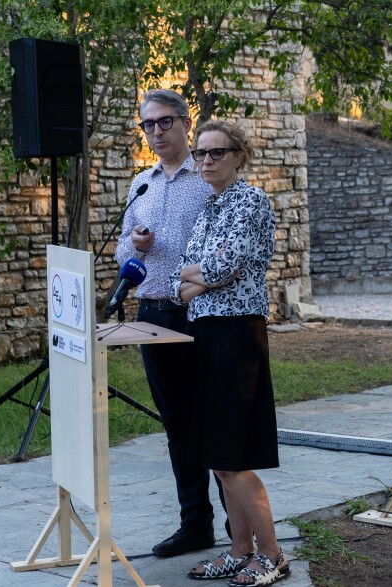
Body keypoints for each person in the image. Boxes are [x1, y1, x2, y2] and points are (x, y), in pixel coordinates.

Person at [171, 120, 289, 585]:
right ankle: (241, 551)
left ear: (239, 156)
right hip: (207, 333)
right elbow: (187, 269)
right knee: (220, 458)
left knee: (236, 460)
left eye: (216, 153)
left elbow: (224, 265)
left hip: (237, 335)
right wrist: (198, 279)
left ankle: (273, 554)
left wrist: (196, 280)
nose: (205, 161)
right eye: (200, 153)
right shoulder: (209, 208)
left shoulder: (251, 200)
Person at [115, 89, 223, 557]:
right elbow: (122, 250)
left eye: (164, 123)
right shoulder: (142, 184)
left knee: (214, 422)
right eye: (148, 126)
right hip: (152, 313)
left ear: (184, 122)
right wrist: (135, 245)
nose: (156, 132)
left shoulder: (210, 179)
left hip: (202, 315)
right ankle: (195, 525)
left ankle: (241, 531)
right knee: (177, 424)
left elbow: (227, 249)